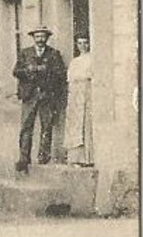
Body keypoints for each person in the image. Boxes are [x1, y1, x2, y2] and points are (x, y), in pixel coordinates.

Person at [14, 26, 68, 172]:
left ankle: (43, 157)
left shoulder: (54, 54)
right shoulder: (25, 53)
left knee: (47, 126)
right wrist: (28, 70)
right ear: (33, 38)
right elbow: (16, 71)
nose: (40, 39)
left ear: (47, 38)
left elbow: (61, 75)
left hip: (46, 96)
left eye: (43, 36)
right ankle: (24, 158)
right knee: (26, 127)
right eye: (37, 36)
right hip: (29, 96)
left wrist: (47, 71)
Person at [63, 35, 96, 166]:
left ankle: (88, 158)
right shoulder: (74, 61)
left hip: (87, 92)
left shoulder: (92, 59)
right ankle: (76, 158)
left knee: (86, 123)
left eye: (85, 43)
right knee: (75, 123)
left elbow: (92, 76)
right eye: (80, 43)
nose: (83, 46)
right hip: (75, 95)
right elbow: (70, 79)